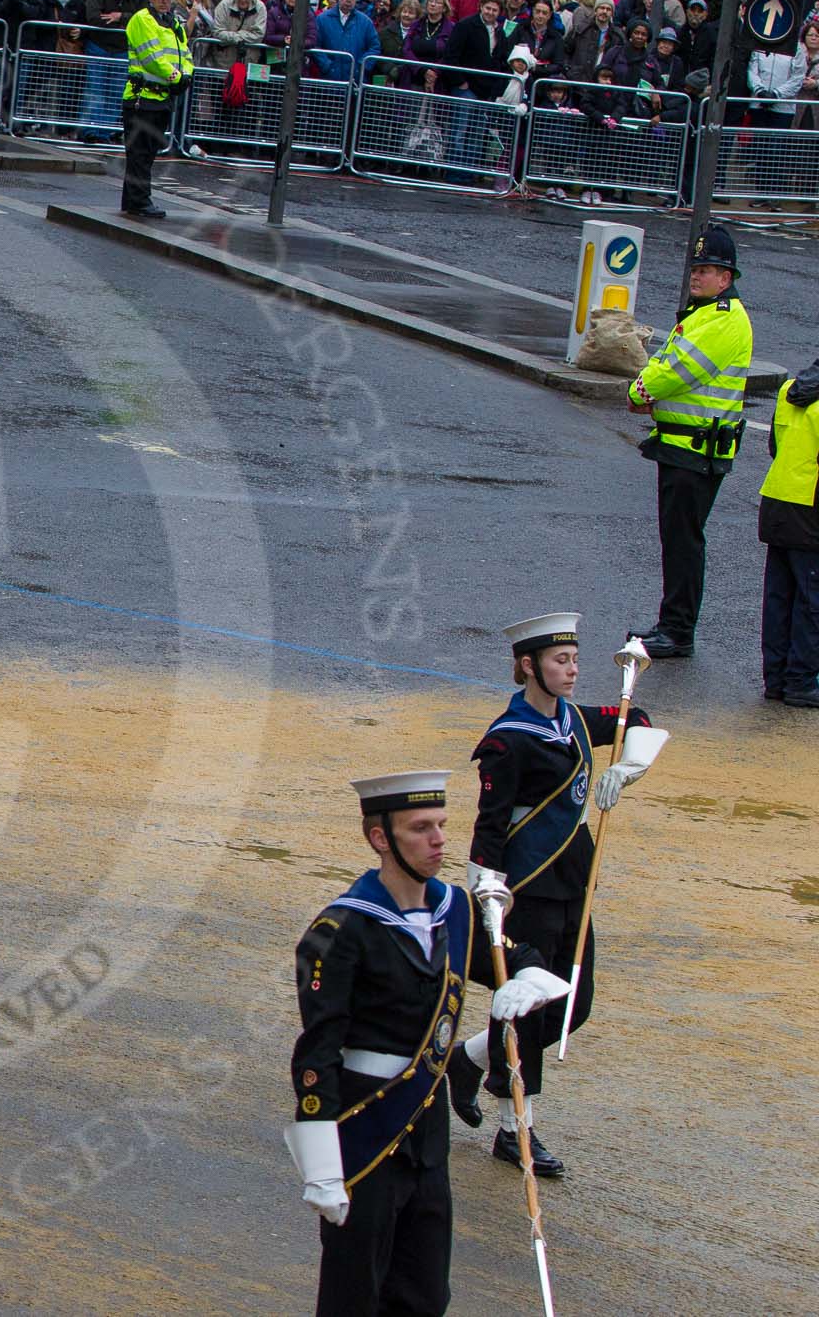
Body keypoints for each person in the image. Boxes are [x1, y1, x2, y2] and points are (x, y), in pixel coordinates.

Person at [288, 770, 564, 1316]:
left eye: (441, 825)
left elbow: (515, 958)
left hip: (428, 1127)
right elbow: (317, 1055)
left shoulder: (457, 910)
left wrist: (529, 983)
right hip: (364, 1128)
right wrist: (321, 1166)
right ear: (380, 838)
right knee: (353, 1296)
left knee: (424, 1296)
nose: (440, 840)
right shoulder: (339, 929)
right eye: (421, 828)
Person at [450, 613, 661, 1175]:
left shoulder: (572, 719)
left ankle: (467, 1058)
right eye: (559, 661)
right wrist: (486, 890)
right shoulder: (507, 742)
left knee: (573, 1007)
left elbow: (632, 715)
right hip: (527, 890)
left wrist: (633, 763)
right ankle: (514, 1129)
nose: (571, 671)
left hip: (574, 881)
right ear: (528, 666)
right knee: (528, 1010)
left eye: (573, 661)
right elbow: (489, 825)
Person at [626, 226, 752, 660]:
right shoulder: (702, 315)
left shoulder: (723, 319)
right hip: (684, 446)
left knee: (683, 541)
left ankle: (678, 631)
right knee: (677, 539)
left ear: (727, 277)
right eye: (696, 268)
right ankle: (672, 624)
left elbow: (677, 370)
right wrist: (652, 389)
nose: (697, 275)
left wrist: (640, 392)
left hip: (697, 451)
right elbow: (666, 362)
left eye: (708, 269)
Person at [758, 357, 819, 707]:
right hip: (811, 508)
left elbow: (776, 447)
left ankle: (777, 679)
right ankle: (801, 681)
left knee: (780, 597)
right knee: (812, 601)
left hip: (778, 501)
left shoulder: (789, 389)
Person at [120, 0, 188, 219]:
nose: (164, 2)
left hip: (161, 97)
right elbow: (152, 58)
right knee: (139, 152)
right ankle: (139, 201)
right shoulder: (142, 19)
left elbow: (185, 53)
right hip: (141, 96)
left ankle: (132, 200)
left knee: (147, 153)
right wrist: (177, 77)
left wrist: (187, 74)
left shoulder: (174, 22)